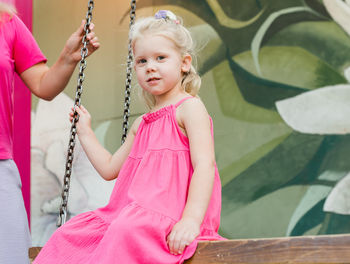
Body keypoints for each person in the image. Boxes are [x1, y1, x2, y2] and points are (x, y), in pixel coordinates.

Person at [33, 10, 224, 264]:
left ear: (184, 63)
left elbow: (204, 166)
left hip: (170, 216)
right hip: (127, 216)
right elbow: (110, 168)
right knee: (70, 233)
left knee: (125, 231)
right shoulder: (141, 124)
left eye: (161, 58)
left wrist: (190, 220)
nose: (151, 67)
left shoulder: (189, 108)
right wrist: (85, 132)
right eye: (142, 61)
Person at [0, 3, 100, 264]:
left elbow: (44, 85)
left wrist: (68, 56)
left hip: (1, 167)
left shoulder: (6, 21)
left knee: (11, 257)